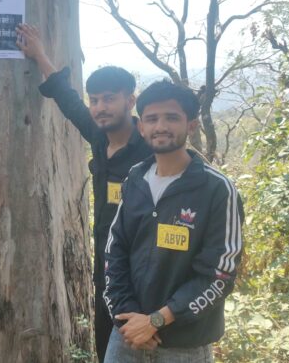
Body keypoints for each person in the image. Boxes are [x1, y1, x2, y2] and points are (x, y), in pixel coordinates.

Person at [16, 24, 152, 361]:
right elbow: (67, 98)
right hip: (107, 271)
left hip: (146, 274)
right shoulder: (98, 135)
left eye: (110, 99)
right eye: (96, 100)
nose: (100, 107)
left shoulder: (151, 149)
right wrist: (40, 56)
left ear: (129, 101)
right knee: (108, 347)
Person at [102, 80, 244, 362]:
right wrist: (129, 320)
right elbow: (114, 252)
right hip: (126, 338)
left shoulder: (216, 188)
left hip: (184, 346)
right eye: (152, 119)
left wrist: (156, 320)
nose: (161, 126)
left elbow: (219, 273)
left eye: (172, 117)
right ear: (141, 126)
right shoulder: (135, 179)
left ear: (191, 125)